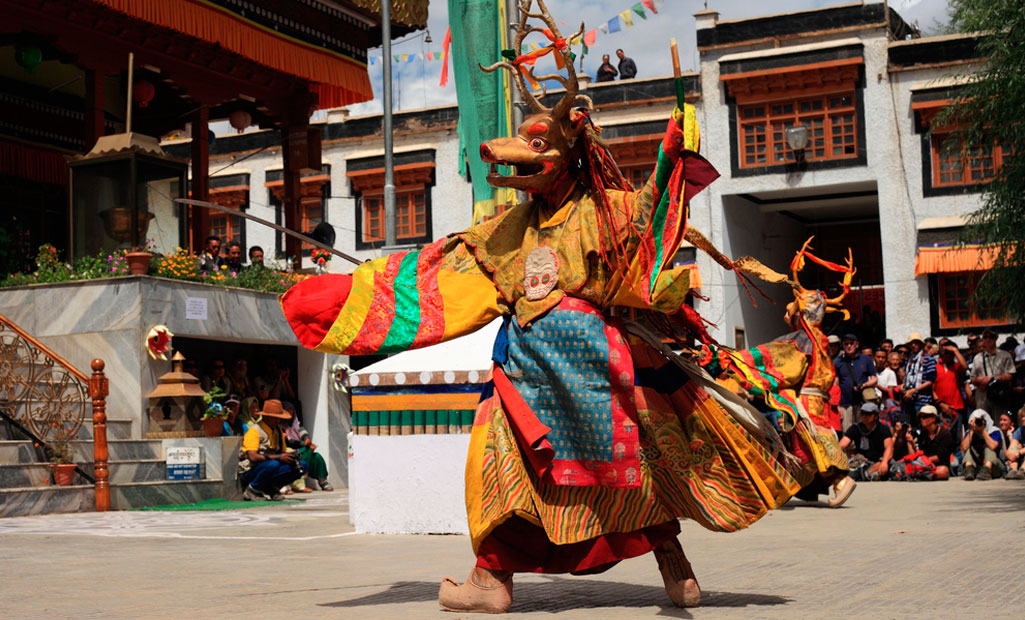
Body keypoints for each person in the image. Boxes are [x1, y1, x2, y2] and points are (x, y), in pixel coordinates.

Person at [281, 28, 802, 610]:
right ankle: (676, 571)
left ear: (568, 157)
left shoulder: (589, 212)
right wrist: (348, 299)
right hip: (600, 367)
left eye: (538, 152)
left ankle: (490, 582)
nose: (518, 164)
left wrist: (669, 153)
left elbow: (436, 276)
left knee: (499, 461)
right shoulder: (524, 223)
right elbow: (439, 269)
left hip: (536, 368)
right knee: (632, 465)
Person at [238, 399, 304, 500]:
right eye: (275, 418)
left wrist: (291, 457)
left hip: (270, 466)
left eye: (279, 418)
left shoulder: (278, 431)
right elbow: (252, 456)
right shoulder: (254, 431)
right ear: (266, 417)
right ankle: (252, 490)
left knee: (302, 465)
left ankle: (273, 489)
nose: (278, 421)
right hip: (250, 470)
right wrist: (277, 457)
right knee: (273, 464)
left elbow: (281, 451)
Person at [281, 401, 333, 492]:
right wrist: (305, 445)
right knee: (307, 451)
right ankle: (301, 482)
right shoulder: (280, 426)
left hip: (301, 451)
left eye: (291, 410)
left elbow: (303, 433)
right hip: (289, 451)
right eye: (287, 410)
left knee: (317, 457)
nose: (290, 412)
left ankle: (323, 481)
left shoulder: (296, 423)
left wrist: (307, 440)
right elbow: (289, 442)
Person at [834, 333, 877, 432]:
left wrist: (864, 385)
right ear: (843, 345)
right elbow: (836, 384)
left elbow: (874, 379)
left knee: (864, 429)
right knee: (847, 431)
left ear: (856, 344)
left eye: (851, 343)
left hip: (862, 401)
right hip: (845, 403)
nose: (849, 346)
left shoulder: (866, 360)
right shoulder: (838, 362)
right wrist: (837, 405)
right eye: (846, 343)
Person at [839, 402, 893, 481]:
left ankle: (869, 473)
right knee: (848, 472)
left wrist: (884, 462)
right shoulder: (855, 428)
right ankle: (867, 474)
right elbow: (842, 445)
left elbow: (889, 448)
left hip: (878, 461)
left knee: (886, 464)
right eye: (862, 413)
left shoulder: (883, 429)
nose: (863, 416)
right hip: (861, 461)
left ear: (875, 416)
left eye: (867, 414)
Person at [970, 329, 1016, 416]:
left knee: (999, 423)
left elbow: (1010, 376)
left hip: (999, 395)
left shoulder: (1005, 355)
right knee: (983, 423)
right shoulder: (977, 357)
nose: (988, 339)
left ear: (996, 338)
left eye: (991, 337)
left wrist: (993, 378)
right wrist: (980, 380)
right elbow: (972, 378)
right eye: (985, 337)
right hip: (982, 396)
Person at [933, 340, 968, 433]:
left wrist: (955, 350)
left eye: (951, 353)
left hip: (957, 407)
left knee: (957, 440)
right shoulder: (935, 367)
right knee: (943, 438)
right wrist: (940, 404)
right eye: (946, 352)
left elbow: (964, 366)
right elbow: (930, 389)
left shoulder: (956, 367)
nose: (948, 355)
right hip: (940, 408)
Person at [961, 409, 1002, 480]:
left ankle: (986, 470)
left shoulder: (994, 431)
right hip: (977, 467)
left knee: (988, 449)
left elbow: (993, 447)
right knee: (970, 450)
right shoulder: (970, 433)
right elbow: (964, 448)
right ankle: (969, 469)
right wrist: (972, 430)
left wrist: (983, 431)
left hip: (994, 466)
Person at [902, 332, 936, 419]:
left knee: (921, 426)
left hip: (922, 400)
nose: (913, 345)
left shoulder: (928, 358)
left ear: (921, 344)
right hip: (908, 399)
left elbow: (930, 381)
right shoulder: (908, 359)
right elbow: (906, 376)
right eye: (911, 343)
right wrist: (904, 387)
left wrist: (914, 390)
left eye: (916, 343)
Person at [916, 405, 951, 480]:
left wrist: (922, 461)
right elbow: (920, 452)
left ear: (933, 418)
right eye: (920, 417)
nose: (922, 419)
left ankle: (921, 475)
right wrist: (911, 443)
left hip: (938, 466)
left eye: (925, 417)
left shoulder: (945, 434)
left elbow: (939, 457)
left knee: (943, 471)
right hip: (924, 465)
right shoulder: (923, 434)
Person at [1006, 409, 1025, 479]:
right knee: (1014, 447)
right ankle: (1013, 470)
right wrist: (1009, 455)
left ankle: (1023, 471)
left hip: (1022, 456)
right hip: (1021, 458)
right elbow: (1012, 446)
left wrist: (1019, 453)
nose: (1023, 419)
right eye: (1022, 416)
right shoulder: (1020, 430)